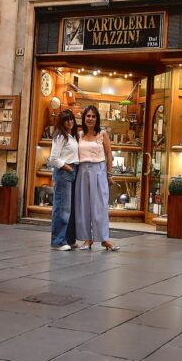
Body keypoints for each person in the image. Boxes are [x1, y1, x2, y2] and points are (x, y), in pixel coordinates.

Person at [74, 105, 119, 251]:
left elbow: (109, 155)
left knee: (100, 207)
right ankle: (88, 239)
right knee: (84, 206)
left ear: (97, 118)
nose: (90, 119)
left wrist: (109, 174)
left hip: (99, 171)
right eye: (88, 116)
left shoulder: (102, 134)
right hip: (82, 172)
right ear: (84, 118)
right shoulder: (79, 135)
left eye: (93, 116)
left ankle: (104, 239)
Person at [48, 109, 79, 251]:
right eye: (67, 119)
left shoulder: (70, 136)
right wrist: (67, 167)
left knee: (69, 208)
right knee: (62, 208)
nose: (70, 122)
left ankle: (67, 239)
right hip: (64, 173)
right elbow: (53, 159)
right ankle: (58, 241)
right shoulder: (60, 136)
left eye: (71, 119)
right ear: (62, 121)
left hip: (72, 172)